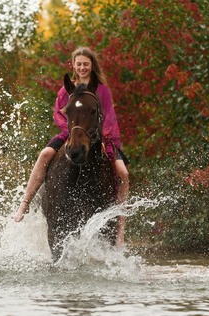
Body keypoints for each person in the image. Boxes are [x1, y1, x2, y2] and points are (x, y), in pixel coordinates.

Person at [13, 47, 129, 246]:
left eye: (86, 64)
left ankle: (120, 229)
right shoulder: (66, 89)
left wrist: (104, 137)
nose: (82, 67)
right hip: (71, 134)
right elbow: (59, 114)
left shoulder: (101, 89)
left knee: (123, 172)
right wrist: (71, 132)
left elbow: (109, 116)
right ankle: (25, 203)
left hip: (100, 136)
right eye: (79, 64)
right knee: (45, 154)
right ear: (74, 65)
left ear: (92, 65)